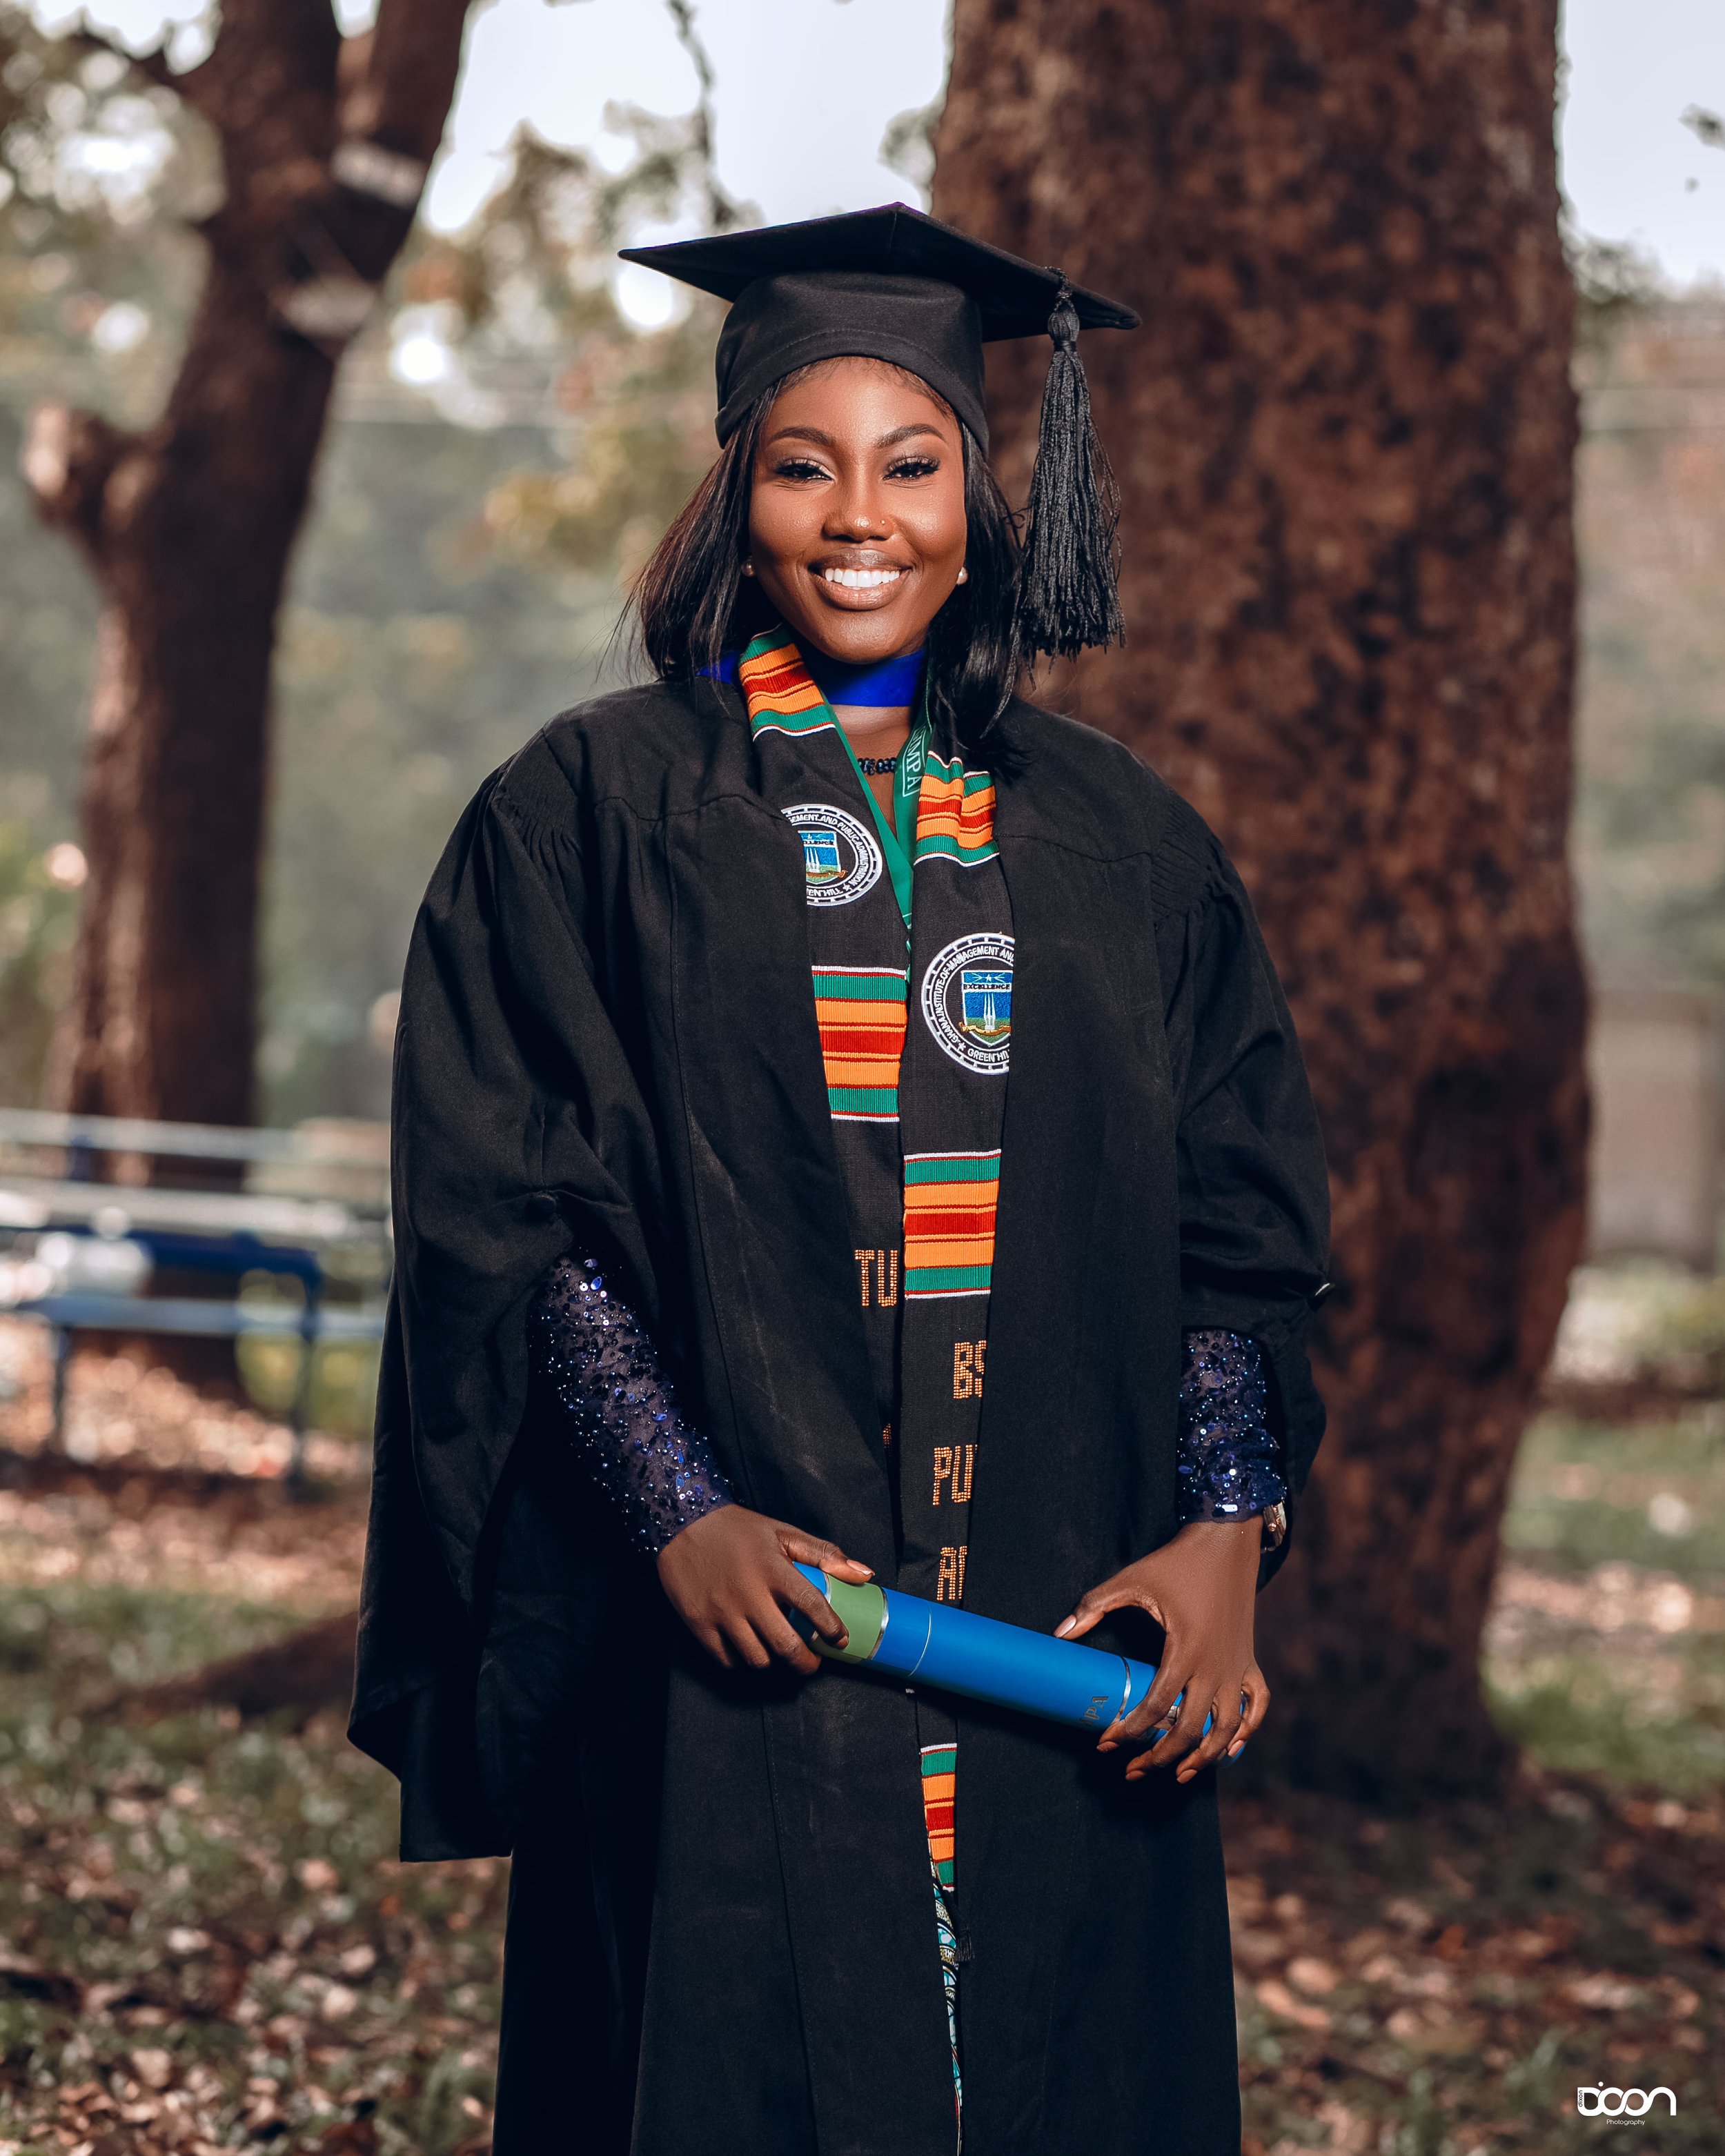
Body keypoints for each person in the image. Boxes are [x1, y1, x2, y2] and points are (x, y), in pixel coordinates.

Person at [350, 203, 1330, 2156]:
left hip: (1064, 1609)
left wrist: (1227, 1525)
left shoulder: (1125, 844)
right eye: (801, 465)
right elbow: (517, 1203)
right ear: (736, 497)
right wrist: (674, 1507)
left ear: (985, 496)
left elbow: (1233, 1220)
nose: (856, 514)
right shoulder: (590, 810)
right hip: (749, 1614)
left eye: (912, 462)